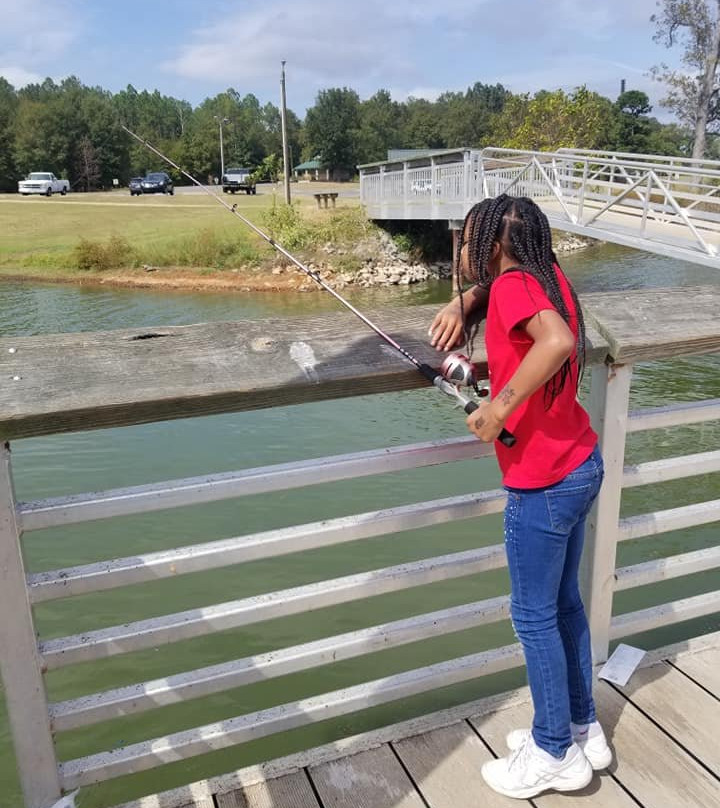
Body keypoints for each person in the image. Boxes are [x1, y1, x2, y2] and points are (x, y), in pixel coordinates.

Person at [429, 194, 611, 799]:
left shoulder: (512, 288)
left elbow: (554, 342)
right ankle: (581, 729)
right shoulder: (547, 274)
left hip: (543, 483)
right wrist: (467, 299)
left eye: (468, 241)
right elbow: (536, 324)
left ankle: (552, 750)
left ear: (492, 247)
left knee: (533, 618)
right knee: (564, 607)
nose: (462, 251)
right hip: (581, 462)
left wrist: (497, 407)